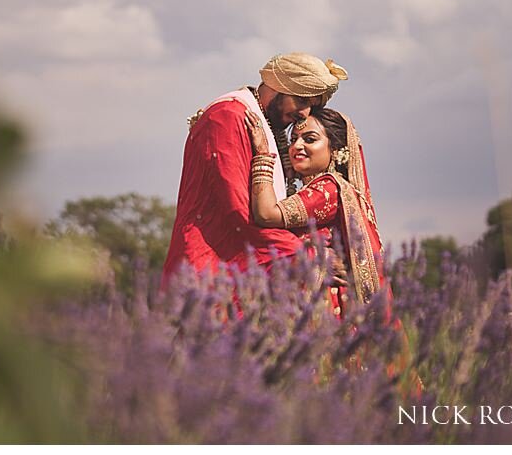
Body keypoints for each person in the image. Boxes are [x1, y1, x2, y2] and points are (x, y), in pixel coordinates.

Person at [161, 53, 348, 288]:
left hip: (237, 276)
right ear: (279, 85)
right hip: (211, 275)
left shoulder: (259, 121)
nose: (304, 114)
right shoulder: (229, 117)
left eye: (311, 106)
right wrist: (308, 258)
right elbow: (240, 216)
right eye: (302, 101)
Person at [245, 107, 386, 310]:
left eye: (309, 139)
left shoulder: (329, 188)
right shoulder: (317, 190)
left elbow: (266, 214)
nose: (297, 146)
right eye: (293, 140)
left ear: (336, 150)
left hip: (324, 305)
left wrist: (262, 155)